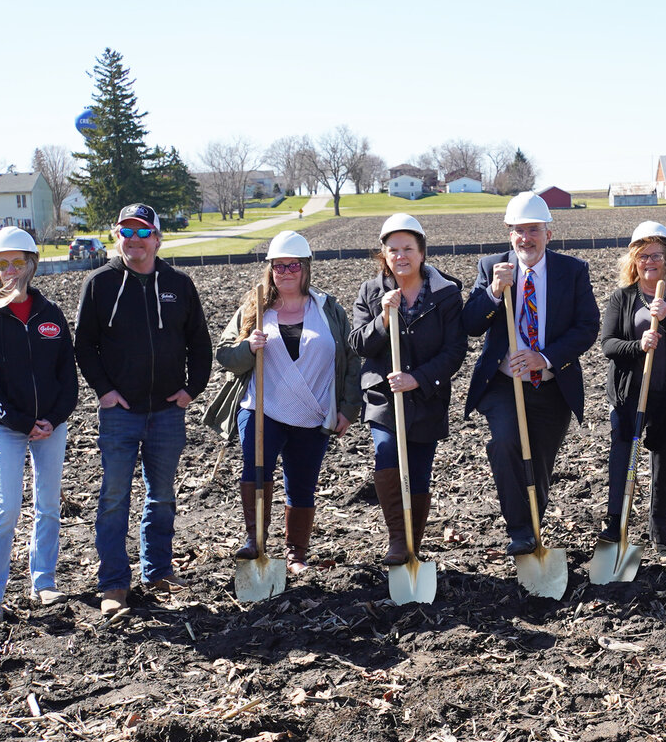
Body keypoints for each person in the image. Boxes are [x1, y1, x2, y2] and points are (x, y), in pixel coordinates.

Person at [74, 203, 212, 616]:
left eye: (142, 232)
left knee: (162, 495)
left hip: (168, 411)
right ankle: (114, 583)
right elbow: (84, 345)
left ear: (157, 237)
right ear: (118, 237)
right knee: (115, 496)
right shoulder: (99, 284)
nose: (134, 240)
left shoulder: (179, 284)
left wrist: (192, 389)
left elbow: (199, 343)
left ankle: (157, 570)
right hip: (120, 411)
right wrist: (104, 391)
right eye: (126, 232)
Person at [206, 231, 360, 573]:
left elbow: (350, 359)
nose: (286, 272)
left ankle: (295, 555)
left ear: (306, 268)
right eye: (279, 266)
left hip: (313, 411)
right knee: (256, 470)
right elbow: (225, 354)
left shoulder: (328, 308)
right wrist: (250, 347)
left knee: (302, 483)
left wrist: (349, 408)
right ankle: (255, 542)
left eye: (293, 265)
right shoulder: (255, 307)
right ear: (270, 269)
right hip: (263, 410)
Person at [462, 191, 600, 556]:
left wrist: (545, 357)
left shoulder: (572, 271)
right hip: (504, 383)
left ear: (548, 234)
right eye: (519, 230)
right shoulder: (492, 266)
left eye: (534, 230)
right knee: (506, 442)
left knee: (539, 459)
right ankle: (520, 530)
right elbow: (471, 324)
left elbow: (587, 326)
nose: (526, 238)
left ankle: (534, 527)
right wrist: (493, 293)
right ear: (510, 234)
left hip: (552, 384)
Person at [0, 227, 78, 625]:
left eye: (17, 262)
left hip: (51, 428)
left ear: (32, 264)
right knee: (7, 507)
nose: (9, 269)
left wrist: (53, 419)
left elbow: (68, 375)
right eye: (1, 262)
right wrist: (22, 422)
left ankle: (44, 582)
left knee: (48, 506)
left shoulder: (50, 314)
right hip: (6, 428)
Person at [349, 214, 466, 564]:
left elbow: (454, 351)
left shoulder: (446, 294)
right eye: (393, 249)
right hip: (383, 397)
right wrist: (383, 319)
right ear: (383, 254)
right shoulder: (371, 292)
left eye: (408, 249)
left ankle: (413, 543)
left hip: (427, 396)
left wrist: (418, 378)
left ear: (422, 253)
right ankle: (398, 541)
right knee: (386, 456)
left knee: (418, 470)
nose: (401, 256)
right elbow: (358, 343)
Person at [598, 221, 666, 551]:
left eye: (657, 254)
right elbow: (608, 344)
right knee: (623, 460)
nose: (650, 261)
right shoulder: (622, 297)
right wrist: (638, 345)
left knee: (665, 467)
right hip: (629, 397)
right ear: (634, 259)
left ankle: (658, 534)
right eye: (643, 255)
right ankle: (617, 525)